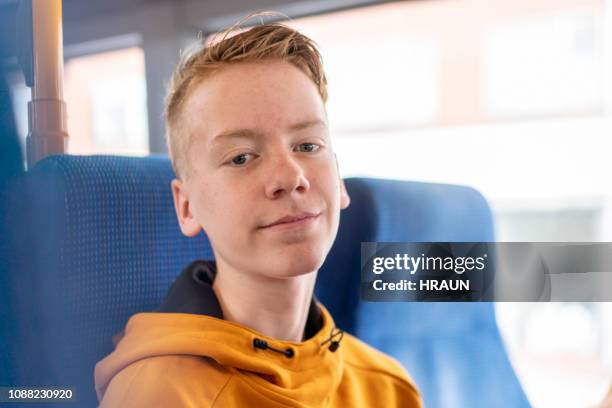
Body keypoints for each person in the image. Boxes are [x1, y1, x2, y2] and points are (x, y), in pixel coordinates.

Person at [94, 19, 422, 407]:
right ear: (187, 207)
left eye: (307, 146)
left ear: (339, 180)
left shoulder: (388, 387)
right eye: (242, 157)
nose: (290, 176)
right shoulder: (160, 394)